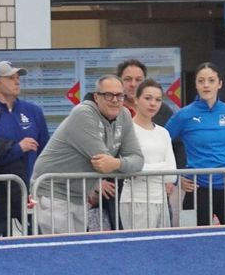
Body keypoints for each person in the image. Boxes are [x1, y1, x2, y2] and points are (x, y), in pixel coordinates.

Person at [31, 75, 143, 234]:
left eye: (119, 95)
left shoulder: (124, 115)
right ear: (96, 97)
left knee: (77, 246)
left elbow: (138, 160)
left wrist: (116, 163)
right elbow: (102, 164)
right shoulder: (83, 113)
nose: (115, 100)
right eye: (108, 95)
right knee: (63, 247)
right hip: (54, 191)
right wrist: (124, 165)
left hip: (79, 194)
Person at [166, 63, 225, 226]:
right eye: (201, 81)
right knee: (192, 238)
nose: (206, 85)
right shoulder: (183, 115)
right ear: (196, 84)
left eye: (211, 80)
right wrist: (177, 178)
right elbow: (162, 145)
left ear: (220, 84)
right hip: (197, 189)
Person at [0, 60, 49, 236]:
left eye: (18, 77)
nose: (17, 81)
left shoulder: (33, 111)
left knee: (36, 236)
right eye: (10, 78)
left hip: (30, 189)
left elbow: (45, 150)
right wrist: (18, 149)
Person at [118, 79, 176, 229]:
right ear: (136, 99)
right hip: (135, 198)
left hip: (160, 199)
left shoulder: (163, 133)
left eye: (158, 100)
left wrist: (144, 168)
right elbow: (130, 167)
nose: (153, 104)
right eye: (148, 98)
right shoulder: (128, 129)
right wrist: (161, 167)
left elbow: (171, 174)